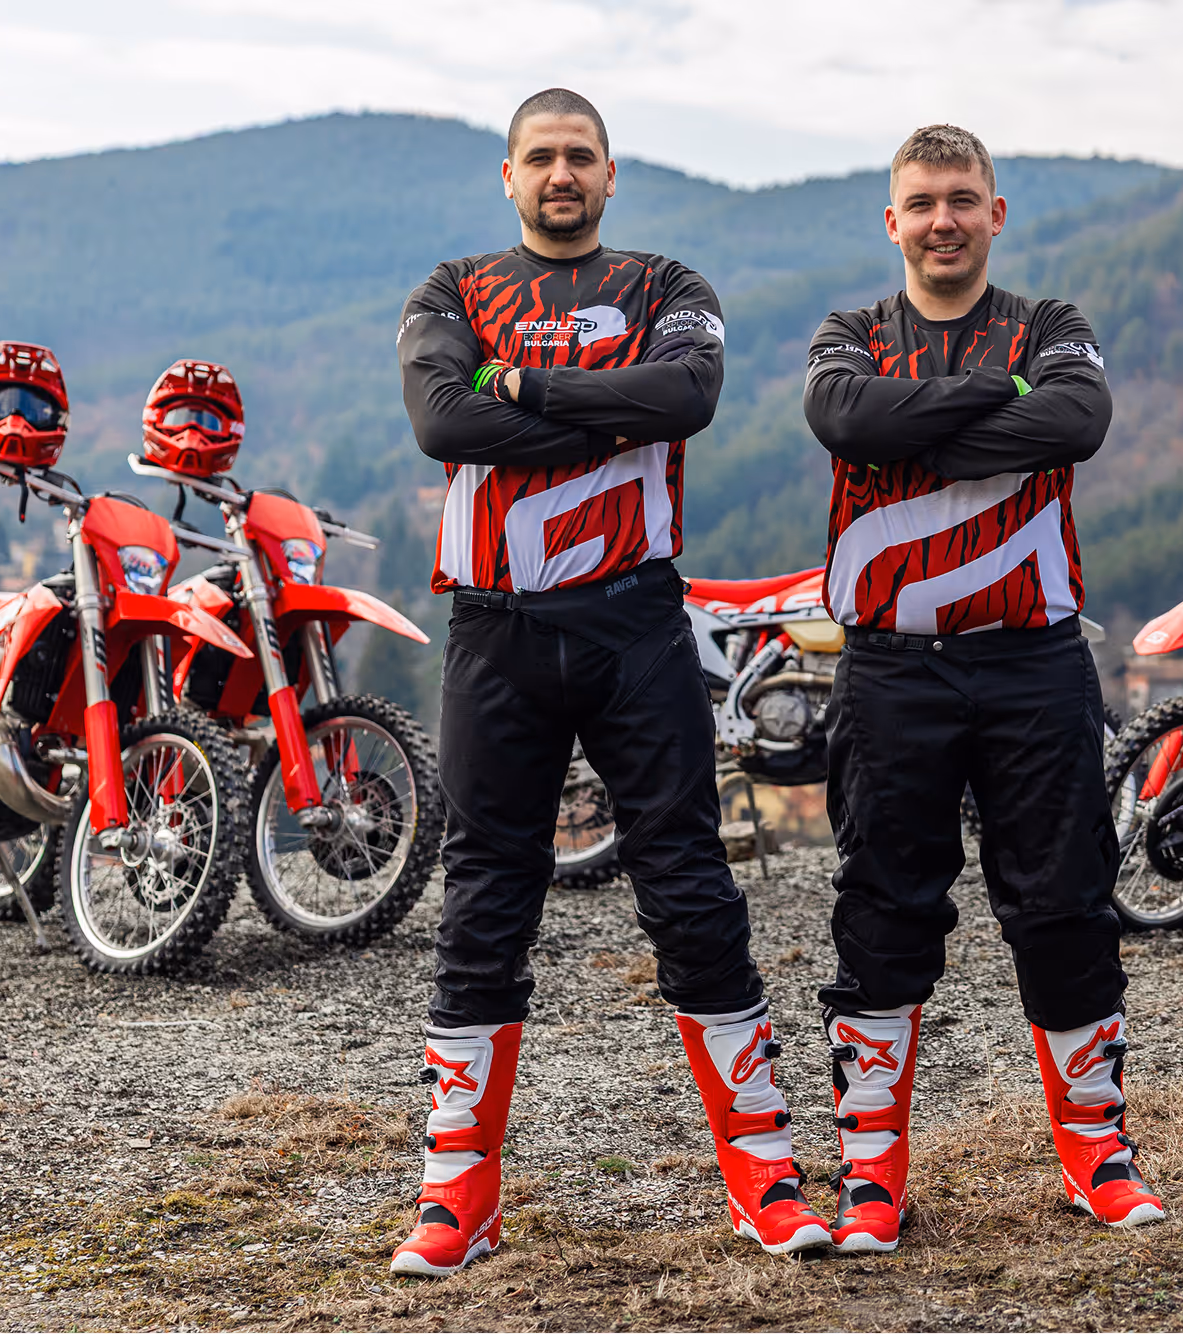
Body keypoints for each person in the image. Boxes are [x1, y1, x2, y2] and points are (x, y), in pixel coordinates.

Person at [389, 88, 830, 1275]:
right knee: (485, 894)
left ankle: (765, 1181)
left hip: (638, 620)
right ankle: (453, 1201)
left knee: (690, 884)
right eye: (540, 158)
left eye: (578, 155)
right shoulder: (449, 288)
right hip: (497, 627)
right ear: (508, 175)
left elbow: (683, 398)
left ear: (610, 171)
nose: (560, 174)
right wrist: (601, 414)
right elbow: (439, 422)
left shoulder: (669, 285)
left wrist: (517, 391)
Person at [802, 124, 1166, 1253]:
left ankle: (1095, 1158)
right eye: (921, 202)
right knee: (881, 912)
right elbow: (842, 417)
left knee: (1062, 905)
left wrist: (918, 424)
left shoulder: (1050, 328)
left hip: (1031, 662)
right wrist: (988, 400)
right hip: (889, 668)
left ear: (994, 213)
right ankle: (871, 1178)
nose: (942, 219)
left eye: (962, 198)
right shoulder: (849, 333)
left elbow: (1075, 420)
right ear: (891, 221)